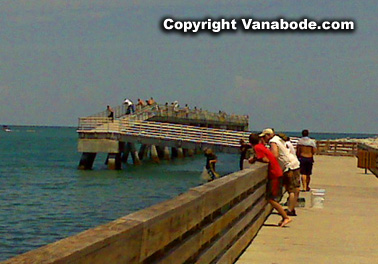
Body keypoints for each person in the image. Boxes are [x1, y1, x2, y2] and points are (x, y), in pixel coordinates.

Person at [248, 133, 292, 227]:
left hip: (274, 174)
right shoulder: (261, 146)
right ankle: (284, 217)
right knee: (271, 198)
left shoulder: (257, 148)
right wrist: (255, 158)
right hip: (277, 172)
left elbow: (266, 160)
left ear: (250, 142)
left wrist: (256, 159)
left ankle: (286, 217)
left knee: (271, 199)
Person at [260, 128, 300, 216]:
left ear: (268, 135)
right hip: (295, 163)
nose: (264, 139)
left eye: (264, 136)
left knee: (291, 189)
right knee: (295, 188)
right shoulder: (279, 139)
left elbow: (275, 154)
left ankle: (290, 210)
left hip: (289, 166)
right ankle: (292, 208)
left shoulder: (273, 141)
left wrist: (265, 157)